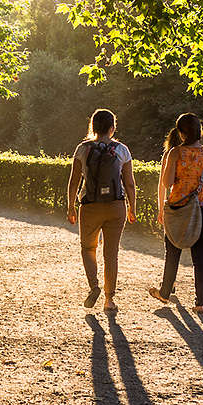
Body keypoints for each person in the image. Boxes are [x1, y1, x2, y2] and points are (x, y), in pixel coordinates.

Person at [149, 113, 203, 313]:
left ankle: (165, 292)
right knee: (200, 257)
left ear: (181, 133)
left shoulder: (175, 153)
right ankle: (200, 302)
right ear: (200, 131)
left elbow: (166, 183)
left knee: (172, 252)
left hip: (179, 209)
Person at [66, 109, 138, 312]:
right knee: (111, 253)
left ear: (92, 127)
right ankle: (109, 299)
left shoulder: (83, 149)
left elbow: (74, 182)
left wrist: (71, 206)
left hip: (90, 206)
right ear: (112, 128)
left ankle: (94, 286)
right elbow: (130, 184)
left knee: (88, 248)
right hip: (116, 206)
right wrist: (132, 207)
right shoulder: (122, 150)